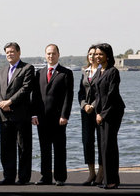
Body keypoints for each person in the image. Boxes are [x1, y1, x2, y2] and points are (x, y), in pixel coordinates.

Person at [0, 42, 35, 185]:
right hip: (4, 115)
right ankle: (8, 177)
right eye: (7, 52)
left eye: (12, 51)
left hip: (21, 115)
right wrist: (0, 103)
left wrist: (9, 102)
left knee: (23, 147)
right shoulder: (2, 70)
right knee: (6, 148)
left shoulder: (27, 68)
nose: (9, 54)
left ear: (19, 52)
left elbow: (26, 88)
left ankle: (23, 178)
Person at [32, 44, 74, 186]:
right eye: (48, 53)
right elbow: (36, 96)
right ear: (45, 55)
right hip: (42, 118)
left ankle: (60, 177)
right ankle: (45, 177)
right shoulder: (39, 73)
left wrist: (65, 115)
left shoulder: (66, 73)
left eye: (53, 53)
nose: (51, 56)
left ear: (58, 54)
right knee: (44, 149)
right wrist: (34, 114)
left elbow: (69, 97)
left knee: (59, 148)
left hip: (58, 118)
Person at [94, 43, 125, 190]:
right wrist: (97, 112)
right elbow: (99, 95)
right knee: (104, 146)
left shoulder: (113, 72)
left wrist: (102, 114)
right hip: (102, 113)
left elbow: (111, 95)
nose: (97, 56)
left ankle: (112, 181)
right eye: (96, 54)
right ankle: (109, 180)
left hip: (113, 112)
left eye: (100, 54)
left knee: (109, 146)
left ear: (108, 55)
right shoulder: (100, 70)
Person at [77, 45, 103, 186]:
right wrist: (84, 105)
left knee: (101, 142)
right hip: (85, 112)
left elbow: (102, 93)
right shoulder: (85, 72)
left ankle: (101, 173)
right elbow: (80, 92)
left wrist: (92, 105)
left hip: (99, 112)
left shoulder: (104, 71)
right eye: (90, 54)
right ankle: (91, 172)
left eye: (95, 54)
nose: (92, 56)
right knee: (87, 142)